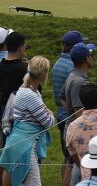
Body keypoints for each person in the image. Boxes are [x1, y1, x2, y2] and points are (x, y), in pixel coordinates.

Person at [0, 56, 53, 186]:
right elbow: (49, 122)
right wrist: (51, 113)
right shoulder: (29, 95)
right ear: (43, 74)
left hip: (25, 144)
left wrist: (48, 113)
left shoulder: (30, 92)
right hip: (25, 147)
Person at [52, 32, 87, 186]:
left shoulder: (58, 62)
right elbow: (70, 96)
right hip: (70, 118)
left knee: (67, 158)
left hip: (62, 115)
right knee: (71, 159)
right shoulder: (71, 68)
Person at [0, 32, 29, 119]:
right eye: (24, 46)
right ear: (20, 48)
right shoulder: (21, 69)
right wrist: (29, 70)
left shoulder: (1, 65)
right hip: (15, 114)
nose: (25, 48)